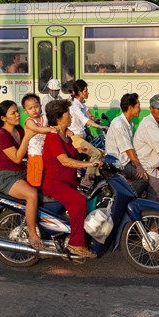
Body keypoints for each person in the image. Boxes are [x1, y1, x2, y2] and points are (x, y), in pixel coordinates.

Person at [43, 99, 100, 258]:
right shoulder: (53, 138)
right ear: (59, 117)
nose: (71, 116)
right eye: (68, 113)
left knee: (88, 198)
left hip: (67, 182)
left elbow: (71, 152)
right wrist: (89, 163)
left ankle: (77, 235)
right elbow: (64, 160)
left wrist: (83, 150)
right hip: (55, 184)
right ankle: (75, 244)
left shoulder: (65, 135)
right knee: (79, 201)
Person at [0, 99, 42, 247]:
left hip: (21, 172)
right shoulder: (2, 135)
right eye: (13, 113)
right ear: (3, 118)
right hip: (6, 177)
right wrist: (27, 137)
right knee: (31, 194)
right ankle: (33, 235)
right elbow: (16, 158)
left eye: (17, 111)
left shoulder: (18, 130)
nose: (17, 115)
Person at [105, 93, 148, 197]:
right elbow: (128, 149)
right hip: (118, 162)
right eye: (138, 106)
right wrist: (138, 166)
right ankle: (126, 200)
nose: (140, 109)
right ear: (130, 108)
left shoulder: (129, 123)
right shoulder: (119, 124)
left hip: (125, 160)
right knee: (143, 178)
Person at [68, 79, 107, 187]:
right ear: (79, 92)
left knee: (102, 152)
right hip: (75, 138)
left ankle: (97, 179)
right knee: (96, 153)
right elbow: (85, 120)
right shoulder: (74, 106)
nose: (87, 93)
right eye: (85, 91)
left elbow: (88, 115)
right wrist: (100, 126)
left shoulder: (81, 105)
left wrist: (95, 119)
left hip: (82, 137)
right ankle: (87, 183)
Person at [22, 93, 55, 187]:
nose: (34, 110)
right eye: (30, 108)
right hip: (35, 153)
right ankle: (33, 189)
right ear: (25, 111)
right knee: (35, 174)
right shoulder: (29, 121)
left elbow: (53, 123)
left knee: (46, 173)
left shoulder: (44, 118)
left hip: (46, 152)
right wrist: (50, 129)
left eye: (36, 107)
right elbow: (37, 129)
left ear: (40, 106)